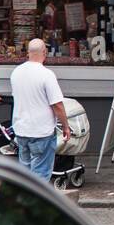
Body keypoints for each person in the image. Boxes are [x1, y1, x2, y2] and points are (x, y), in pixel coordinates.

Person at [9, 39, 71, 182]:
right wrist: (66, 126)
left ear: (28, 53)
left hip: (21, 129)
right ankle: (37, 202)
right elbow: (57, 105)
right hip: (41, 130)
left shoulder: (16, 73)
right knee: (40, 175)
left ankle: (24, 201)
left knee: (25, 173)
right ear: (45, 52)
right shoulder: (46, 74)